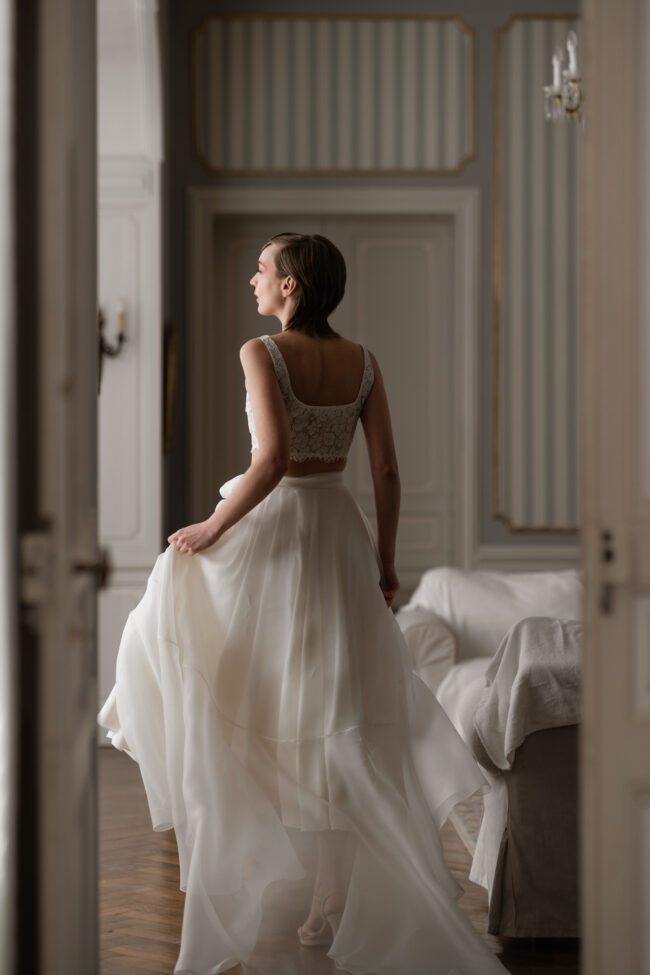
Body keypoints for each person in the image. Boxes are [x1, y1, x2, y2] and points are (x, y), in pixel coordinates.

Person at [97, 232, 508, 975]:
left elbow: (274, 459)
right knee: (334, 712)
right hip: (341, 539)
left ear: (290, 287)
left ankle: (243, 872)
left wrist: (213, 526)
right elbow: (383, 467)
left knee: (242, 686)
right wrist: (385, 561)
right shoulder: (364, 361)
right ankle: (327, 899)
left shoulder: (263, 352)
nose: (252, 280)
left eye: (262, 269)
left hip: (276, 534)